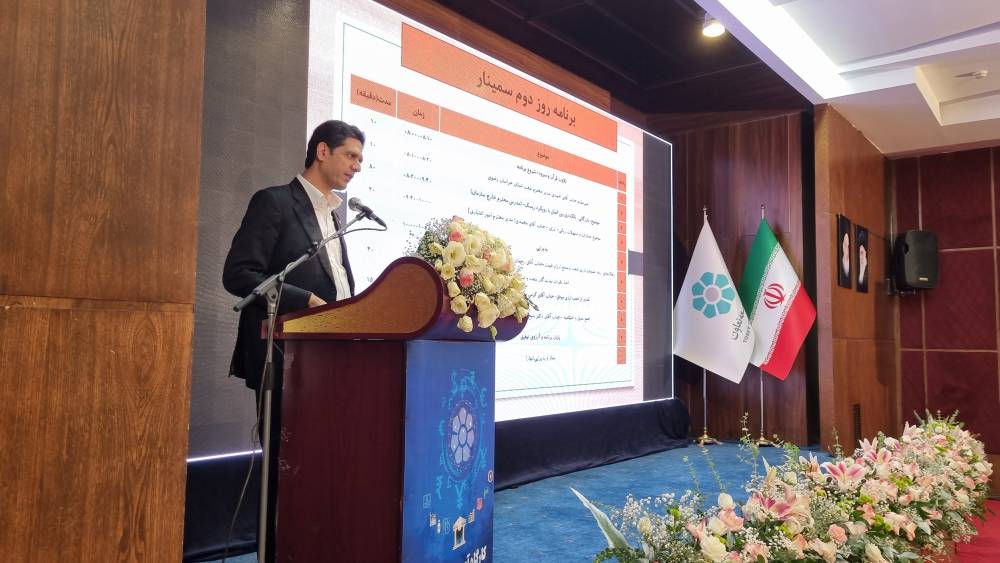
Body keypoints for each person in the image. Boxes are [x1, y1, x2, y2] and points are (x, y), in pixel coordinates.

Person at [222, 119, 365, 561]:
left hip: (331, 361)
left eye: (360, 159)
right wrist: (306, 299)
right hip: (285, 360)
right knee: (285, 474)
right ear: (322, 151)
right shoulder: (275, 203)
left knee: (323, 471)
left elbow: (339, 287)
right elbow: (239, 274)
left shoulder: (335, 217)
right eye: (351, 155)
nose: (357, 166)